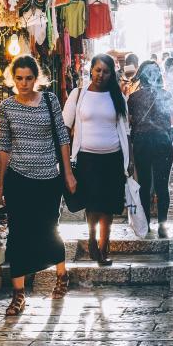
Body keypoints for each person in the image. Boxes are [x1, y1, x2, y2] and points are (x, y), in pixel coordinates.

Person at [0, 56, 76, 316]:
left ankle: (61, 275)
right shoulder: (6, 107)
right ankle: (18, 296)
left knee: (48, 229)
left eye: (28, 78)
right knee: (18, 235)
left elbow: (63, 137)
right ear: (12, 78)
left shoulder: (50, 101)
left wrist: (67, 173)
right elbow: (4, 146)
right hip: (18, 179)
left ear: (37, 78)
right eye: (19, 78)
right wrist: (0, 183)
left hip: (47, 179)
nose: (23, 83)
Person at [63, 54, 131, 266]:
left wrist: (130, 163)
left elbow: (126, 131)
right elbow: (64, 127)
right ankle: (92, 238)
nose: (101, 75)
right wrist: (66, 165)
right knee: (92, 205)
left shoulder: (117, 97)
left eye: (106, 71)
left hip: (113, 158)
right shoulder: (78, 94)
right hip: (86, 159)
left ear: (112, 74)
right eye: (98, 70)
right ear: (91, 70)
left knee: (109, 206)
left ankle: (104, 248)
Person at [128, 61, 173, 238]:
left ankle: (146, 223)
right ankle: (163, 226)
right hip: (162, 142)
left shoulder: (133, 98)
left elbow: (130, 122)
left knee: (144, 185)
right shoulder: (166, 95)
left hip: (141, 143)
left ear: (141, 76)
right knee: (162, 186)